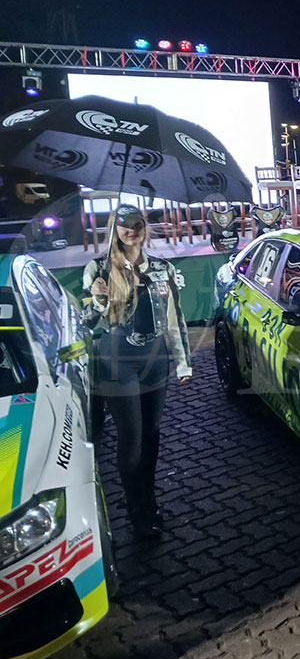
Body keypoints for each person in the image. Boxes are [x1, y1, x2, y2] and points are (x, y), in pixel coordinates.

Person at [82, 205, 192, 539]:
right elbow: (87, 323)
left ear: (145, 227)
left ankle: (149, 499)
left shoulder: (162, 268)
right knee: (131, 436)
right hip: (117, 364)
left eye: (137, 224)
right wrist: (99, 299)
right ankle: (135, 509)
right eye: (124, 225)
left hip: (155, 362)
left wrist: (183, 361)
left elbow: (174, 318)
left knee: (152, 434)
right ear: (114, 229)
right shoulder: (98, 269)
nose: (131, 230)